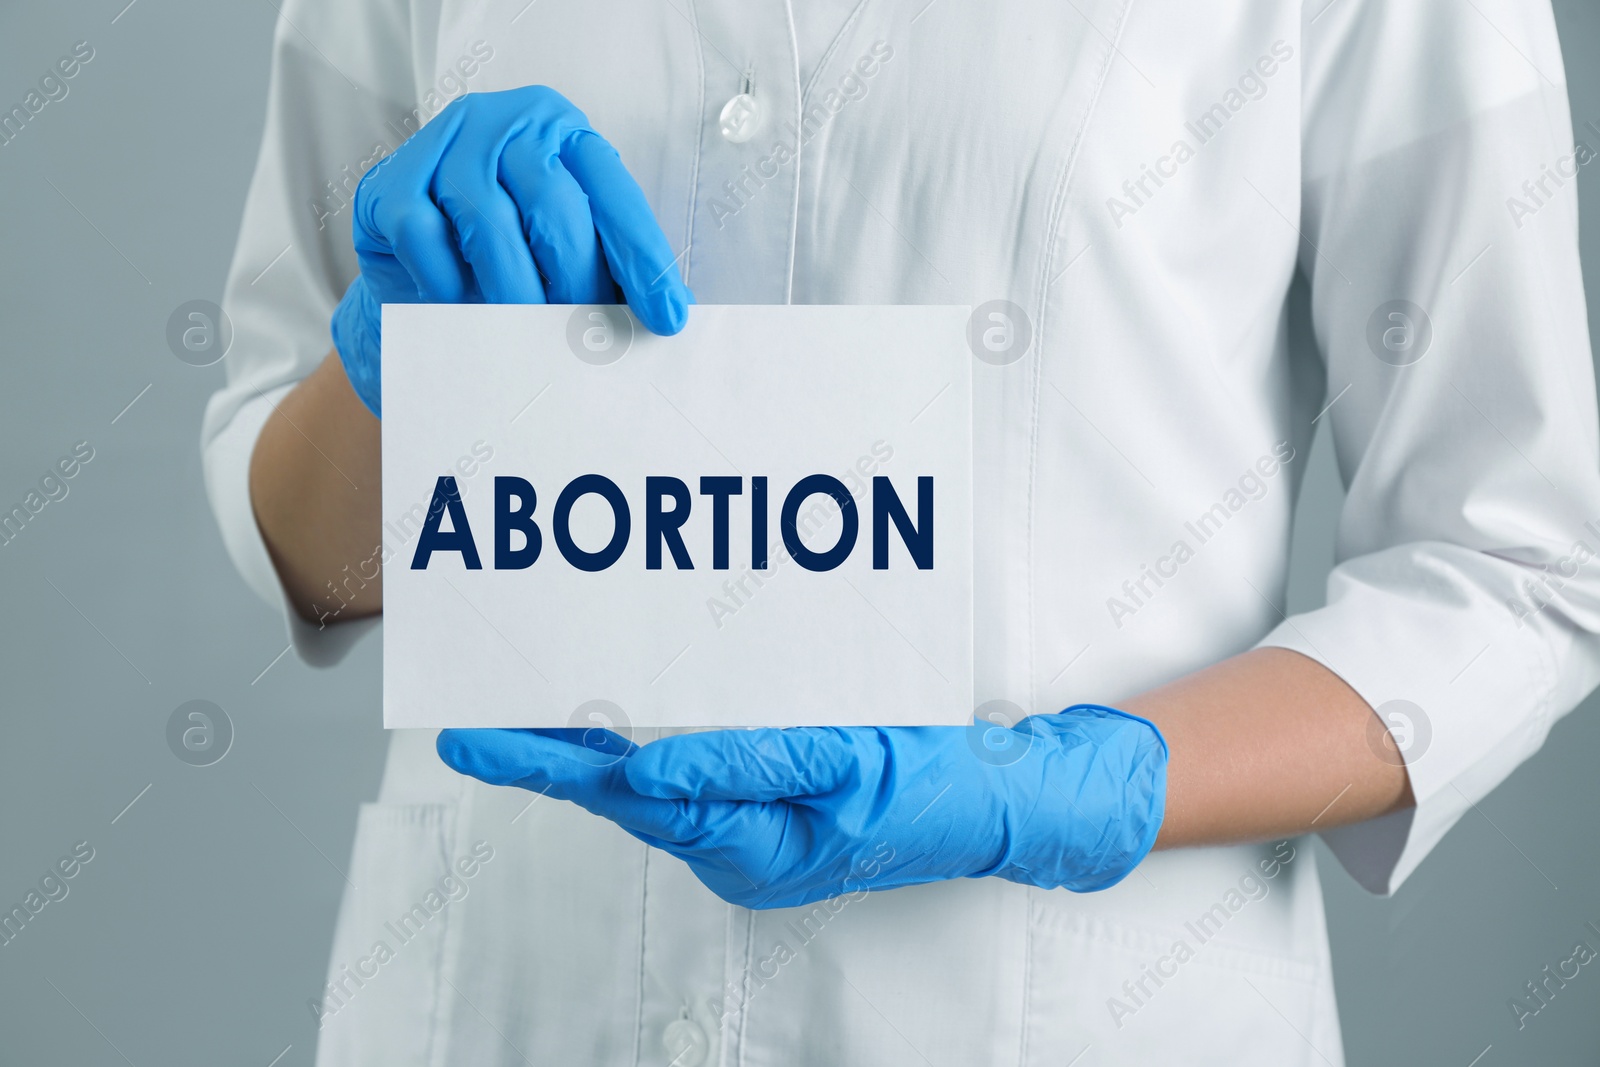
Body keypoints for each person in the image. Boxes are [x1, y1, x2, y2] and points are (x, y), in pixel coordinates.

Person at [202, 1, 1600, 1063]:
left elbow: (1516, 562)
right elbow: (321, 566)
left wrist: (1077, 789)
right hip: (513, 996)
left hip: (1078, 1008)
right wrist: (396, 347)